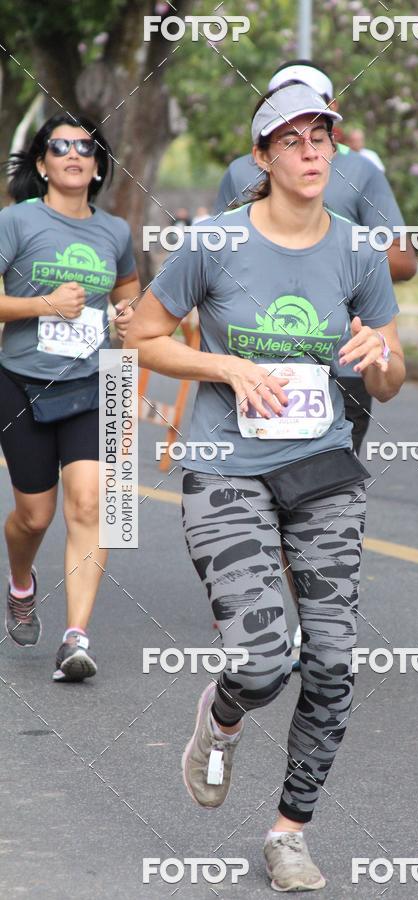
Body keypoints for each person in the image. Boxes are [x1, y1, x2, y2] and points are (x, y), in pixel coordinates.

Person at [125, 82, 405, 891]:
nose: (313, 151)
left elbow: (390, 373)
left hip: (322, 468)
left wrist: (378, 359)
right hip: (225, 465)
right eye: (294, 140)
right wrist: (225, 365)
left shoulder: (357, 250)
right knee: (259, 659)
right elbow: (144, 336)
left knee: (332, 661)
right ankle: (222, 716)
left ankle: (290, 830)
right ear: (263, 157)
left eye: (323, 138)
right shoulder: (214, 242)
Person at [214, 59, 416, 456]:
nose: (306, 148)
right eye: (283, 108)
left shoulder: (361, 171)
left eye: (312, 113)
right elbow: (210, 269)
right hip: (251, 363)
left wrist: (335, 253)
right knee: (250, 497)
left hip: (341, 363)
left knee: (325, 497)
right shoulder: (239, 173)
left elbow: (405, 260)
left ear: (330, 113)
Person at [0, 112, 140, 681]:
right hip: (20, 379)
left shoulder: (116, 232)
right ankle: (21, 582)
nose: (73, 154)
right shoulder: (15, 222)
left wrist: (129, 319)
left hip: (93, 382)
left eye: (85, 147)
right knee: (35, 516)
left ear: (99, 165)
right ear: (42, 164)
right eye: (60, 147)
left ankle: (75, 637)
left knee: (90, 504)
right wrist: (42, 305)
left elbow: (130, 300)